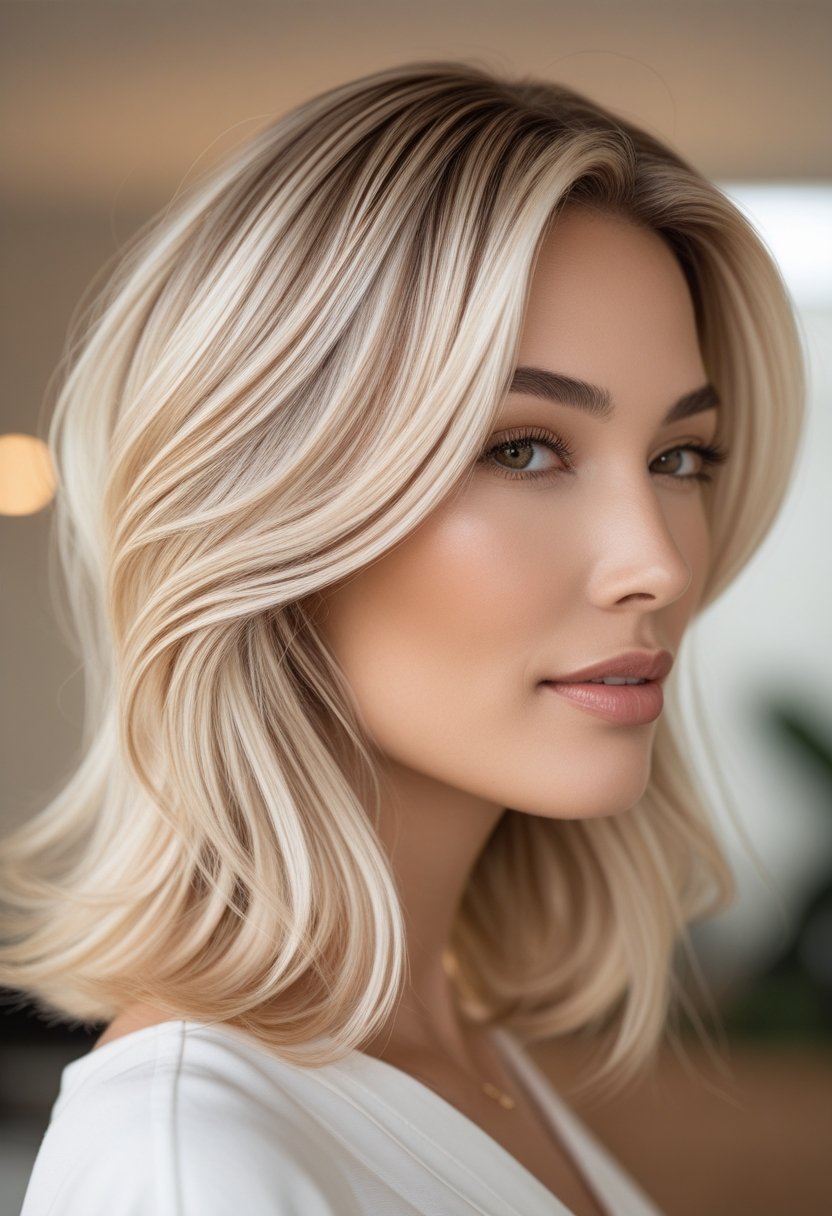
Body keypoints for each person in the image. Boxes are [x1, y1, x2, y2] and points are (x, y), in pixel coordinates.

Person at [2, 60, 804, 1215]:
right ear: (274, 504)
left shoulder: (455, 1057)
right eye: (522, 448)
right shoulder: (190, 1167)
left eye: (680, 456)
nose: (661, 564)